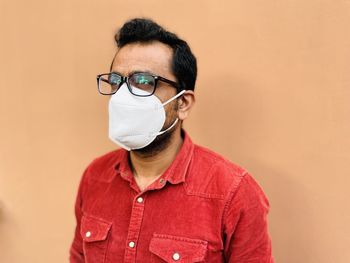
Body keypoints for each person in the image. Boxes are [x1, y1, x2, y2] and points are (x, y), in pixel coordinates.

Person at [69, 18, 274, 263]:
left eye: (143, 82)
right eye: (116, 81)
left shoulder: (234, 191)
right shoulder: (95, 177)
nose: (122, 96)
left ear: (183, 103)